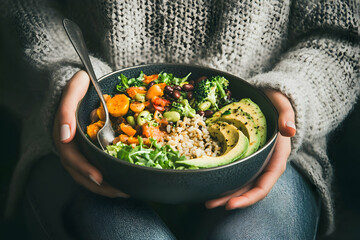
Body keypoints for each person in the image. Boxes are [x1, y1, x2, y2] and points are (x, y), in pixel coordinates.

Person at [1, 0, 359, 239]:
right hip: (77, 140)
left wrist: (291, 97)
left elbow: (342, 36)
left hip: (269, 153)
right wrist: (61, 72)